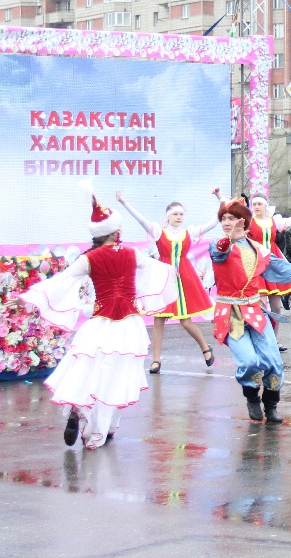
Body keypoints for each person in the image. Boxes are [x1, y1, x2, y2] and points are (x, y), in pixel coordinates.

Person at [19, 183, 177, 449]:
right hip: (128, 324)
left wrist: (28, 296)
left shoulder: (89, 258)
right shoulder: (131, 253)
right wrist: (175, 272)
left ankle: (82, 412)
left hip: (100, 323)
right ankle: (100, 431)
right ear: (115, 231)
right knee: (117, 376)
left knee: (90, 371)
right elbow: (158, 269)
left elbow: (60, 280)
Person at [209, 196, 291, 423]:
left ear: (243, 221)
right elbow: (219, 251)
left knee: (274, 363)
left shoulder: (258, 249)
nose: (226, 222)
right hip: (229, 314)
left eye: (231, 218)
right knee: (249, 362)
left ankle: (271, 405)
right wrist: (228, 238)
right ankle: (252, 396)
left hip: (254, 310)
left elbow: (284, 269)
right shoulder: (218, 244)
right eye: (223, 218)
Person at [116, 189, 219, 374]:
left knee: (185, 320)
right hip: (163, 276)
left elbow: (214, 221)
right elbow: (140, 220)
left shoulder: (189, 232)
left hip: (183, 276)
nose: (179, 217)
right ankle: (156, 360)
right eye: (175, 214)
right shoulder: (158, 231)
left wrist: (220, 199)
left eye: (181, 214)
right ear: (168, 216)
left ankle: (205, 348)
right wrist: (124, 202)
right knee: (159, 319)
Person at [246, 196, 291, 339]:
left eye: (259, 203)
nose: (257, 206)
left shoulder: (274, 221)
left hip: (272, 263)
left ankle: (275, 339)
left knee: (276, 307)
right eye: (254, 204)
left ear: (265, 205)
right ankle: (262, 339)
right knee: (262, 306)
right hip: (256, 262)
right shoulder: (248, 222)